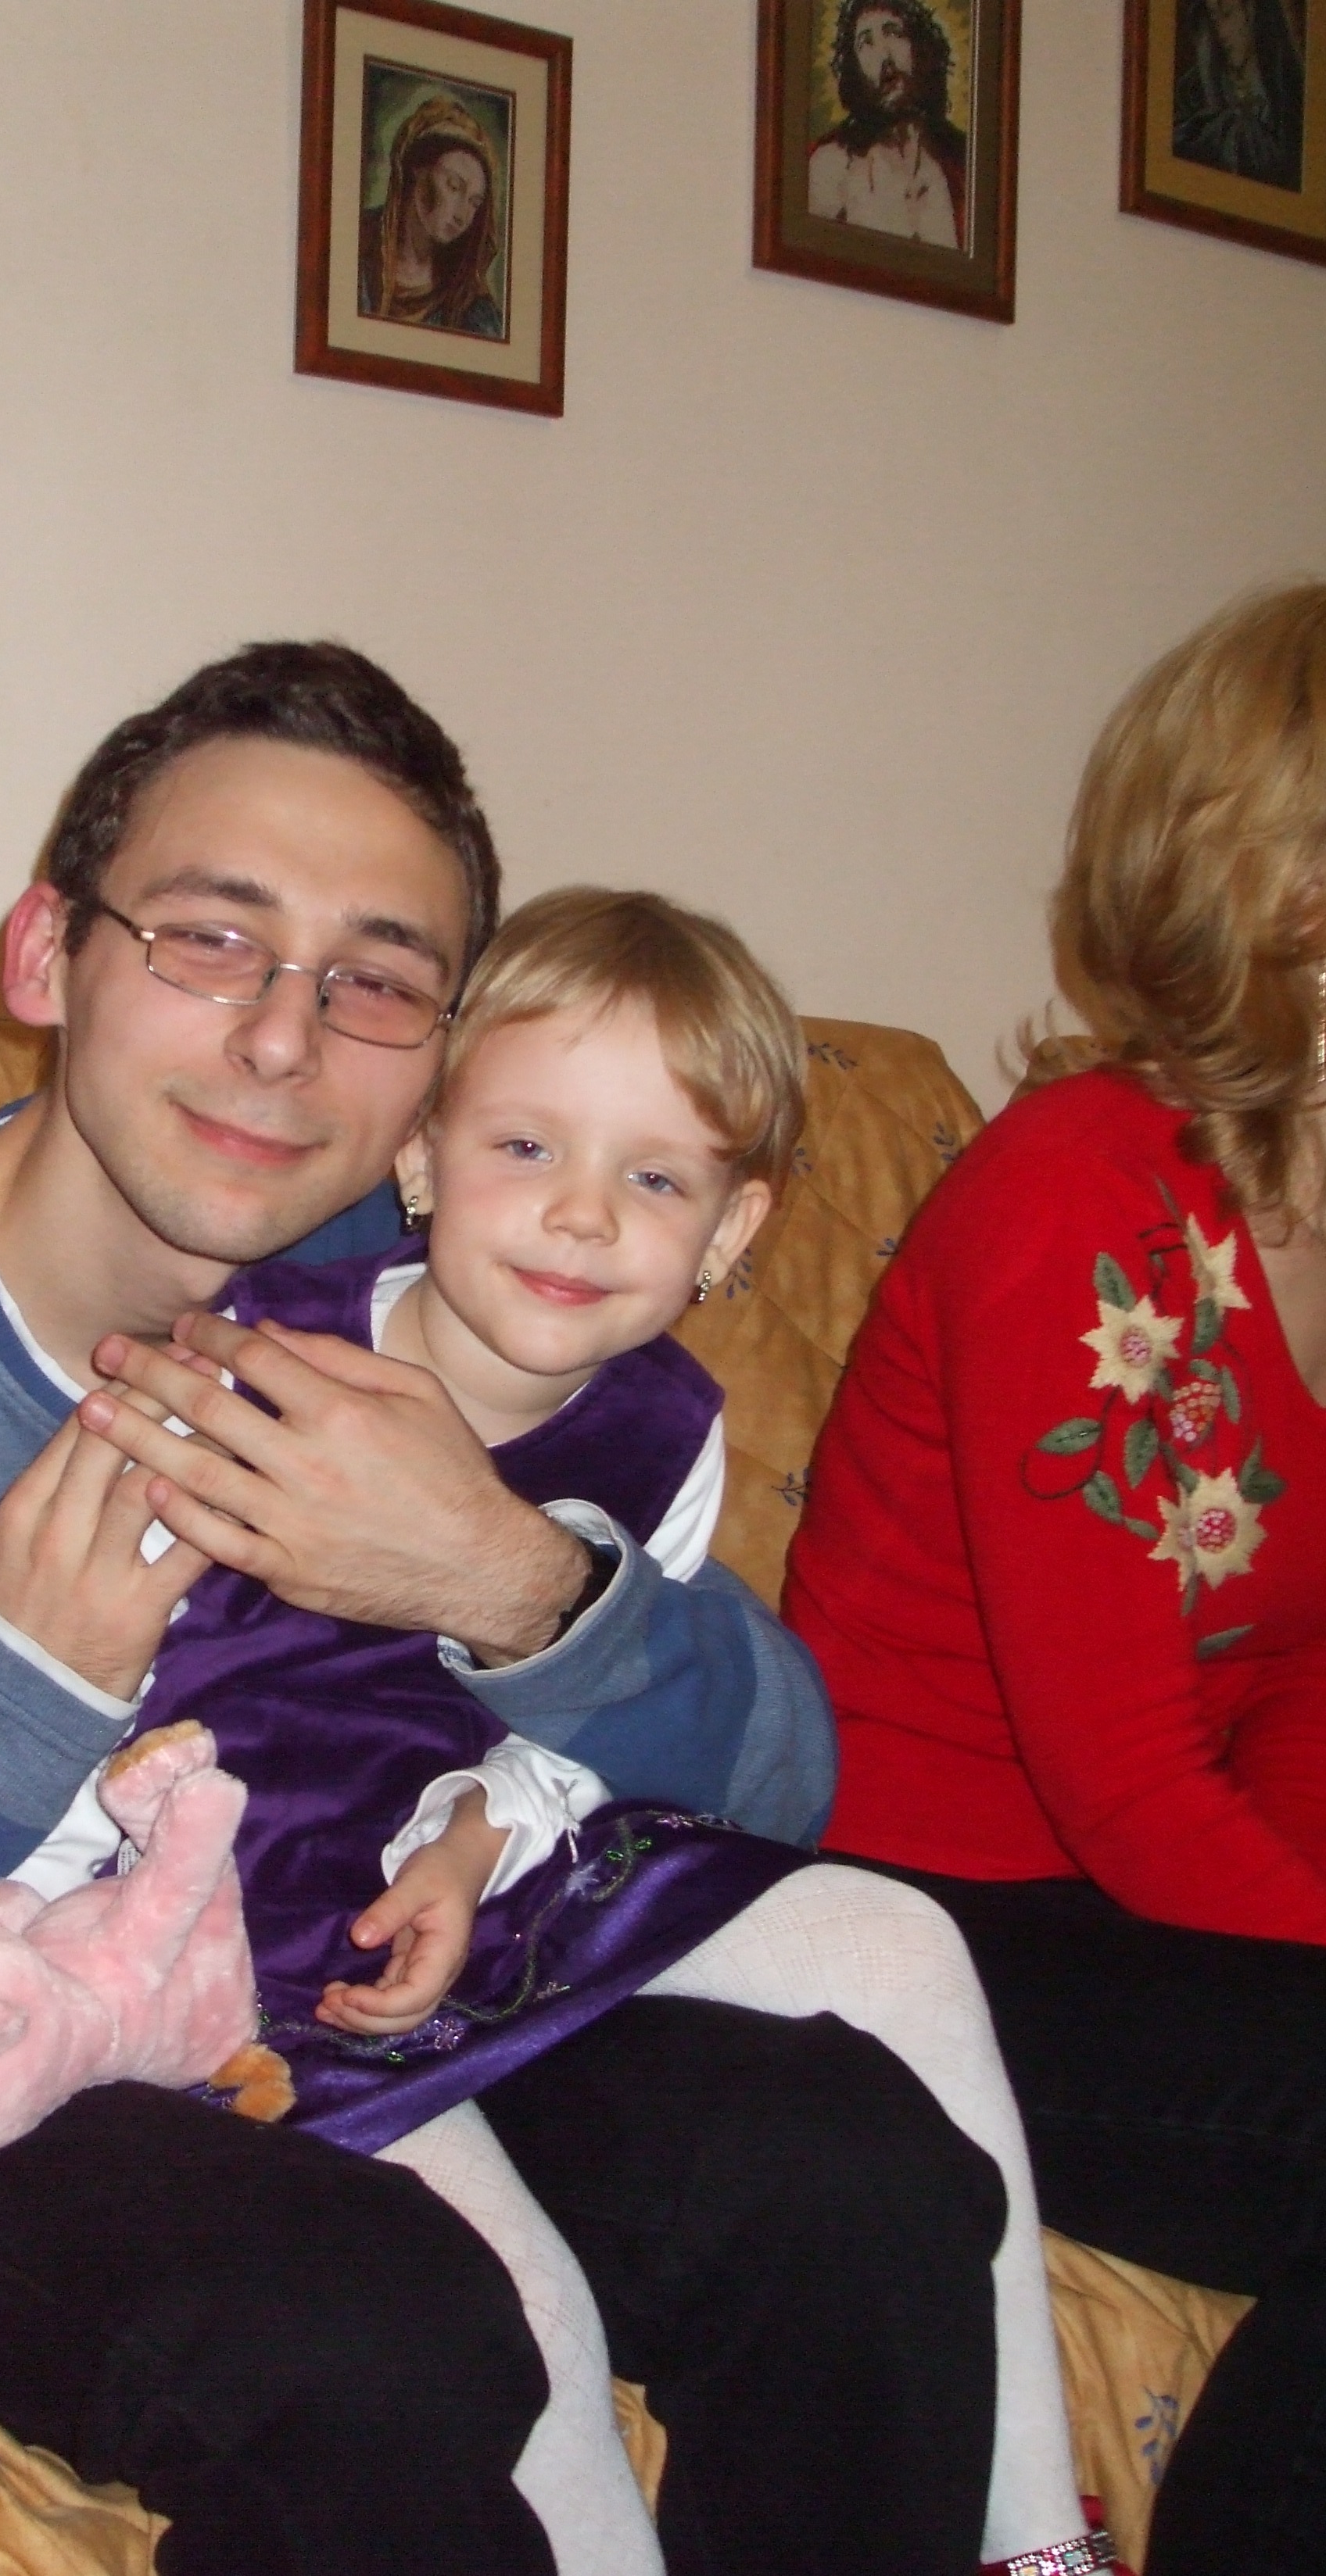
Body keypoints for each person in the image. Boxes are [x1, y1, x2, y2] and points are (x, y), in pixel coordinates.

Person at [0, 641, 1001, 2576]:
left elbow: (782, 1782)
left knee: (849, 2173)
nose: (286, 1040)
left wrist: (506, 1578)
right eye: (211, 938)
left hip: (374, 1933)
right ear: (46, 953)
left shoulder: (472, 1259)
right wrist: (8, 1692)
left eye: (374, 978)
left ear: (439, 1062)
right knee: (386, 2334)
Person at [0, 884, 1109, 2576]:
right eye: (526, 1147)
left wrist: (475, 1835)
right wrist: (61, 1923)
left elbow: (586, 1723)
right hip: (253, 1919)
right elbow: (94, 1678)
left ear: (729, 1232)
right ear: (424, 1156)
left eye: (655, 1181)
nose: (581, 1216)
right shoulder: (257, 1362)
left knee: (897, 1938)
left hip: (489, 1864)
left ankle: (1037, 2549)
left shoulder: (667, 1425)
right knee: (523, 2322)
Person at [784, 581, 1326, 2576]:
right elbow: (1127, 1776)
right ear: (1282, 890)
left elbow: (1298, 1677)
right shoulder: (1081, 1197)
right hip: (917, 1911)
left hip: (1128, 1914)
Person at [808, 0, 966, 251]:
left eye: (894, 33)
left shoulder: (963, 164)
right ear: (853, 68)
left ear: (921, 47)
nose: (884, 56)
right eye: (865, 43)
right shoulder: (832, 165)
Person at [358, 91, 505, 337]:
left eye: (475, 203)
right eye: (454, 186)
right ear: (417, 166)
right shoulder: (355, 246)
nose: (462, 216)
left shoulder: (472, 307)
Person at [1173, 0, 1306, 193]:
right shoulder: (1193, 90)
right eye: (1214, 19)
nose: (1221, 32)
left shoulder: (1288, 90)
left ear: (1253, 13)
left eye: (1227, 14)